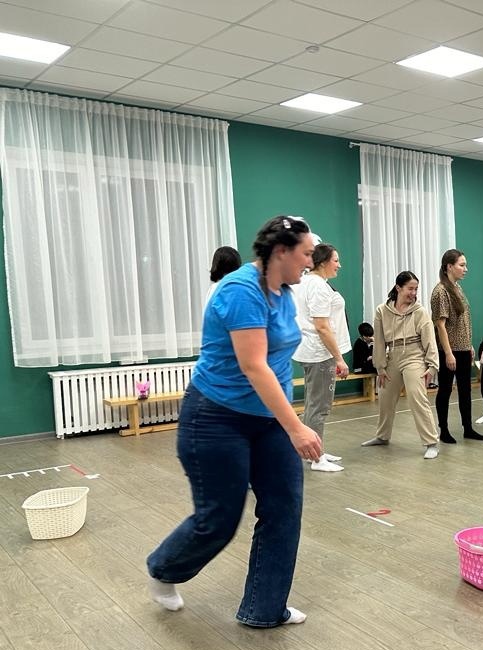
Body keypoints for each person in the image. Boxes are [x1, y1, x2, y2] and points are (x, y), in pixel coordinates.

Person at [147, 214, 320, 628]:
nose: (310, 262)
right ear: (281, 251)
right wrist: (297, 426)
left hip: (267, 420)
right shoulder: (240, 290)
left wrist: (286, 421)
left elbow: (277, 361)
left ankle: (265, 609)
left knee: (284, 508)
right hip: (216, 418)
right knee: (219, 519)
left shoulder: (283, 292)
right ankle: (164, 569)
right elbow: (254, 366)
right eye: (306, 254)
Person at [360, 272, 440, 459]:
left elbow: (430, 339)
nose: (414, 293)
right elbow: (379, 341)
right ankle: (382, 436)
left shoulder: (420, 311)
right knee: (385, 396)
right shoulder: (382, 311)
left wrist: (432, 365)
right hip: (393, 356)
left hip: (415, 356)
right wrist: (380, 367)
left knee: (416, 396)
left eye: (416, 289)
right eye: (410, 288)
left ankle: (431, 442)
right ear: (398, 288)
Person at [292, 242, 350, 472]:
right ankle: (317, 458)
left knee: (312, 404)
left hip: (311, 351)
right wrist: (339, 358)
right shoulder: (317, 286)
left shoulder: (306, 282)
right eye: (336, 260)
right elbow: (322, 327)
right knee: (319, 407)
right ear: (324, 262)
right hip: (319, 353)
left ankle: (315, 450)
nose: (339, 265)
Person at [431, 249, 483, 443]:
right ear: (449, 267)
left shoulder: (457, 288)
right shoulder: (441, 292)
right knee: (445, 389)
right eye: (462, 265)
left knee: (465, 390)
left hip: (463, 349)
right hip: (449, 350)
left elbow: (463, 321)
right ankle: (444, 430)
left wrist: (468, 345)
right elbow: (440, 325)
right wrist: (448, 353)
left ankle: (467, 428)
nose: (465, 269)